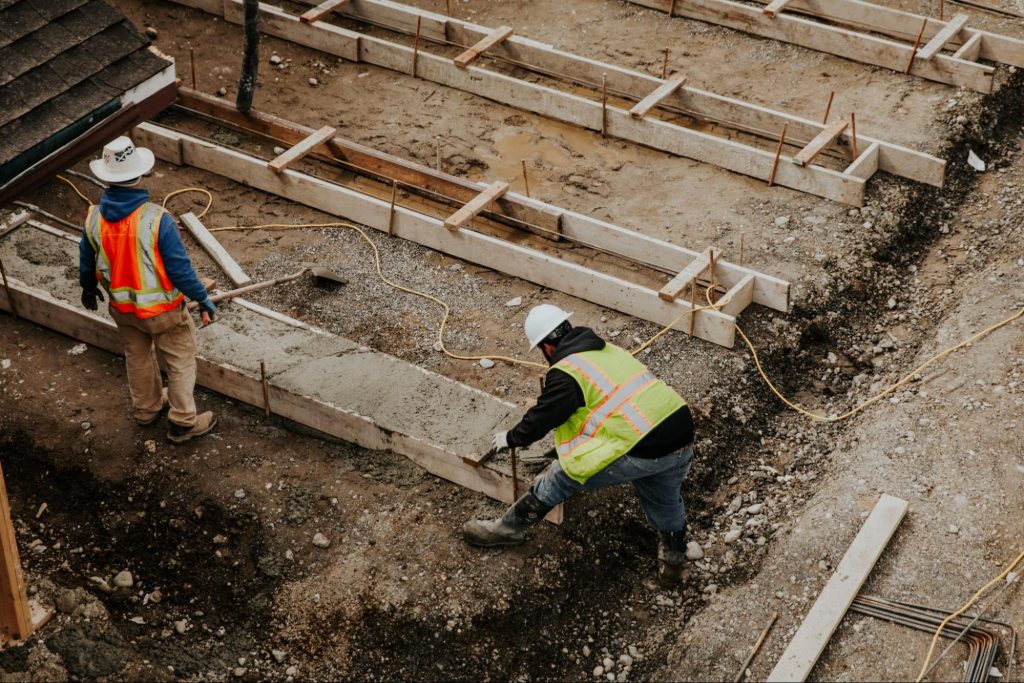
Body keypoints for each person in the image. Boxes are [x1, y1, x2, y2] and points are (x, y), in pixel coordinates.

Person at [463, 304, 696, 586]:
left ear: (547, 347)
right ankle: (673, 562)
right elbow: (607, 408)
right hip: (681, 434)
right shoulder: (607, 351)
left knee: (562, 476)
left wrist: (513, 438)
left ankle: (507, 530)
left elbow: (544, 417)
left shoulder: (566, 372)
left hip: (644, 447)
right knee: (664, 501)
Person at [79, 136, 218, 444]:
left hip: (123, 310)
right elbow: (180, 271)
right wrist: (203, 298)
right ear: (140, 175)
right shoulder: (157, 220)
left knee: (137, 356)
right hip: (163, 311)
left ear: (105, 176)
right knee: (180, 359)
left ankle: (147, 409)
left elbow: (86, 262)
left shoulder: (93, 218)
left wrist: (88, 289)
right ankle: (183, 422)